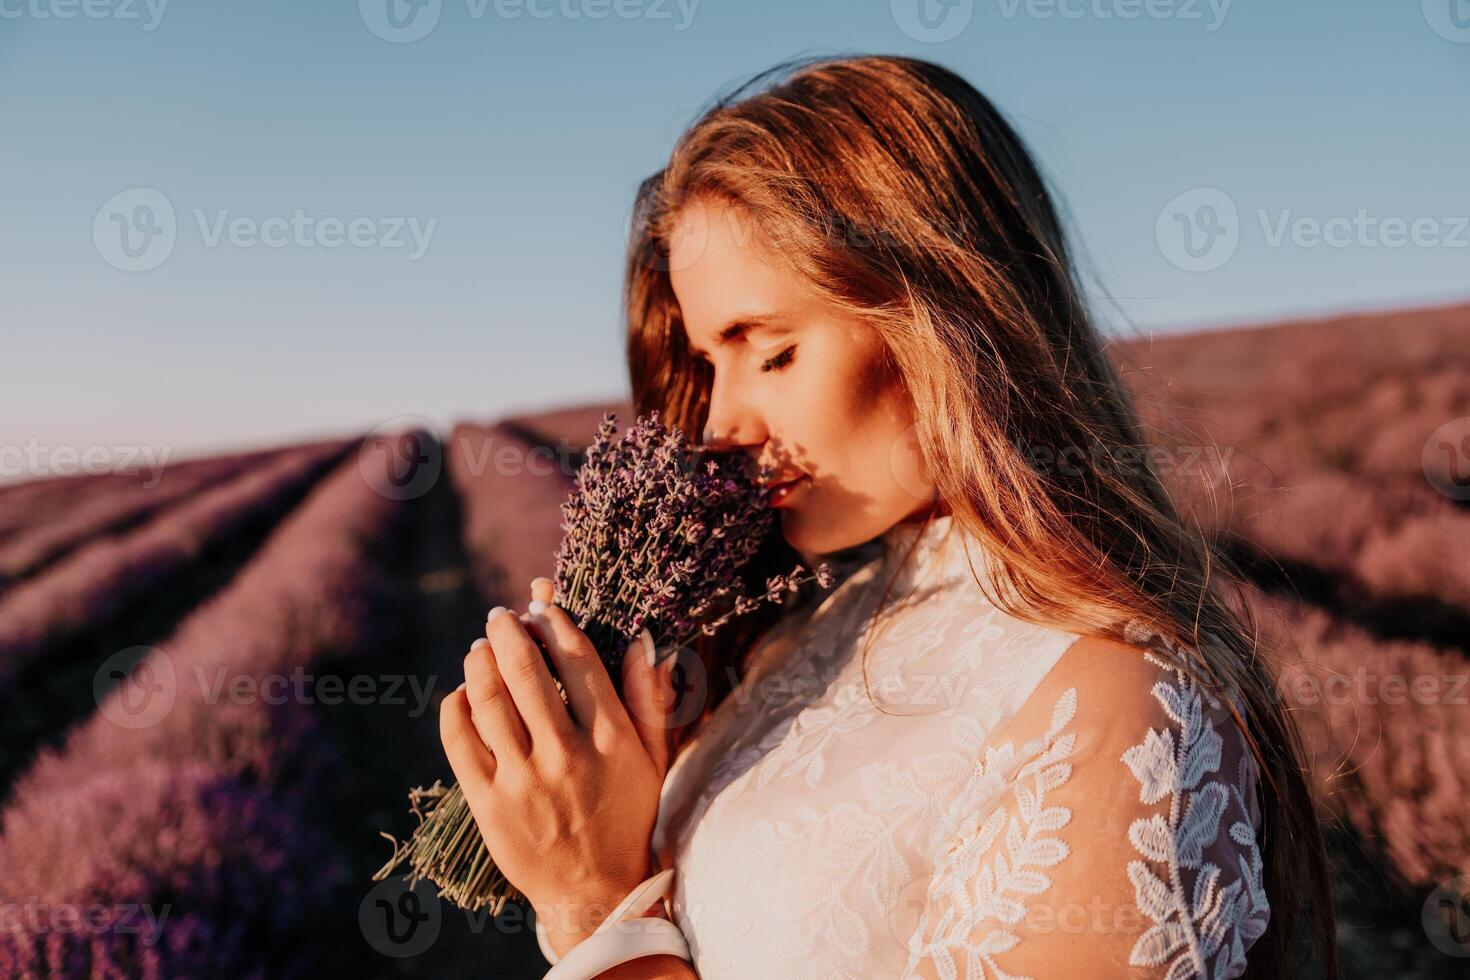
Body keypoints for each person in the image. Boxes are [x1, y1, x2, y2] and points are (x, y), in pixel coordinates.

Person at [439, 54, 1337, 978]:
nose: (720, 425)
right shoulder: (808, 631)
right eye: (710, 362)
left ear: (946, 315)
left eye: (773, 353)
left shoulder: (1119, 707)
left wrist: (595, 908)